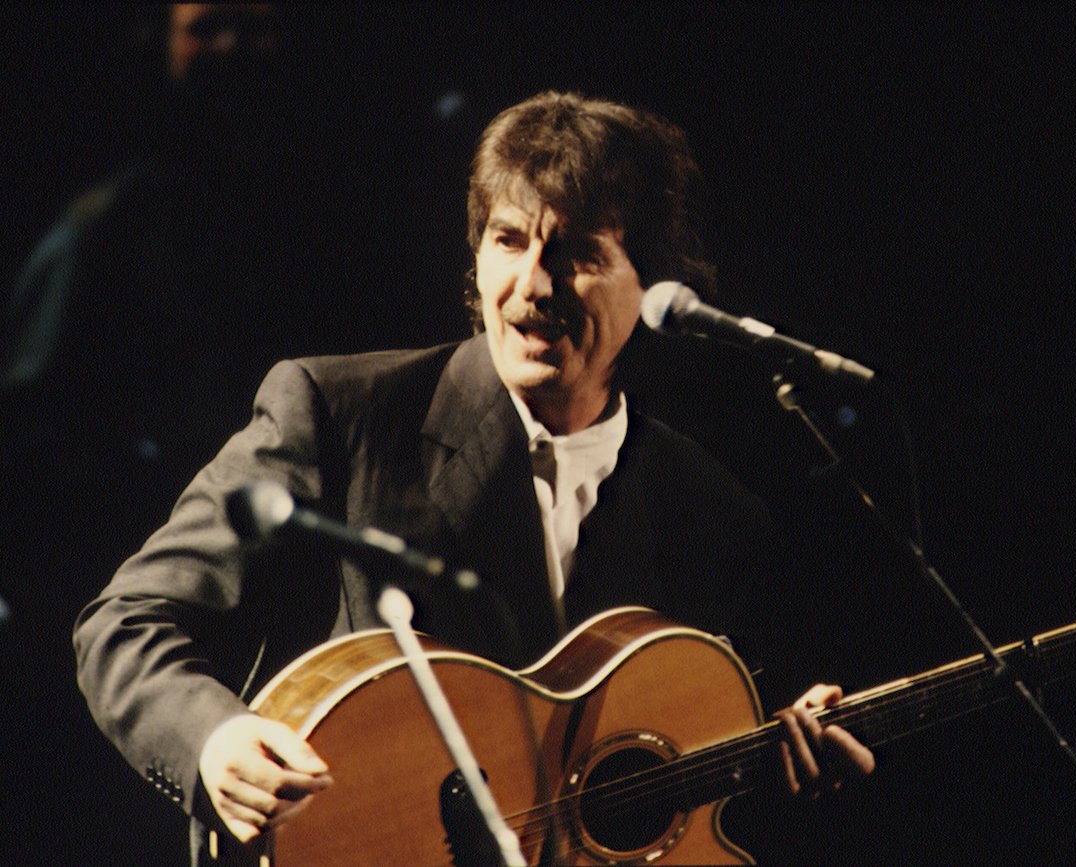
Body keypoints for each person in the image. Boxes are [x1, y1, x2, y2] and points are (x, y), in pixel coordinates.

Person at [74, 90, 875, 865]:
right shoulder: (340, 413)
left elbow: (662, 768)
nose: (532, 285)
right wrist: (212, 739)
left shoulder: (712, 509)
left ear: (656, 287)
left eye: (580, 253)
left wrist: (775, 739)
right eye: (509, 240)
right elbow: (125, 623)